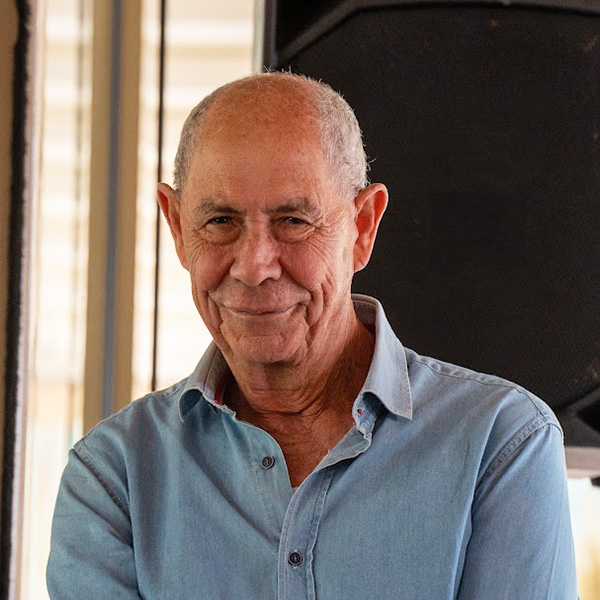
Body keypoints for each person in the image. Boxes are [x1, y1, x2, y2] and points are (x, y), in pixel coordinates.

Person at [47, 72, 578, 599]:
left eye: (294, 221)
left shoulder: (501, 445)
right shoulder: (114, 478)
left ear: (363, 227)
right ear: (178, 228)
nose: (255, 266)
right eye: (221, 221)